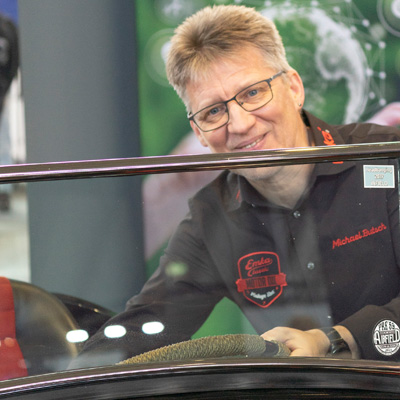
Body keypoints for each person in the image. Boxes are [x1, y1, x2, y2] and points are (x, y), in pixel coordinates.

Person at [70, 4, 400, 368]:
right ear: (199, 133)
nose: (239, 125)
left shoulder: (386, 156)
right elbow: (146, 325)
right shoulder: (212, 217)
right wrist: (72, 378)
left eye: (253, 93)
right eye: (213, 111)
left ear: (293, 88)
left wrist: (333, 340)